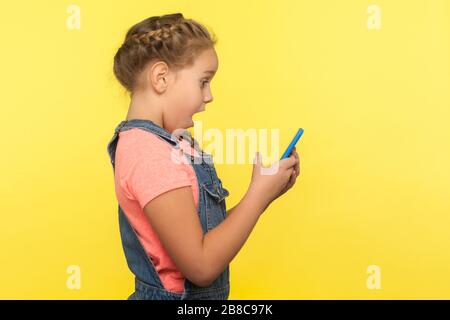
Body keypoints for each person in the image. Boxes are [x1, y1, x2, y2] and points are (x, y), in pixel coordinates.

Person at [106, 13, 300, 300]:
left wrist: (264, 195)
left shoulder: (166, 145)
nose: (209, 96)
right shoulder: (149, 154)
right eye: (203, 81)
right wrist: (256, 197)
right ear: (161, 78)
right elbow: (201, 266)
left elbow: (205, 242)